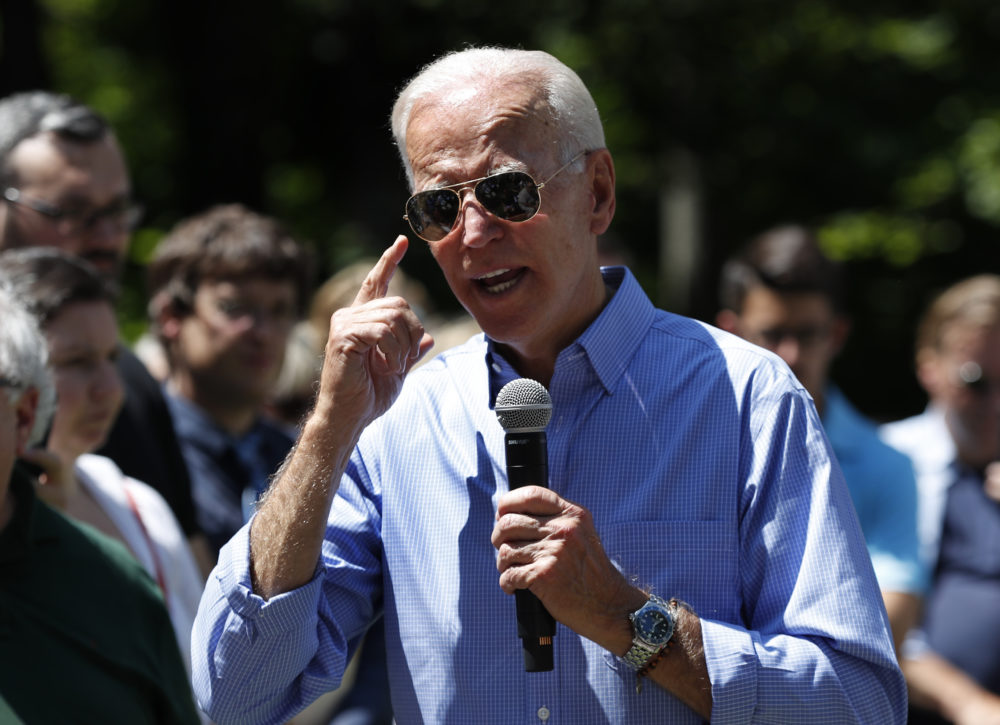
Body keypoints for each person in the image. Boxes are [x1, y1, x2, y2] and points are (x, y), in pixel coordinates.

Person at [192, 47, 905, 723]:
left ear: (597, 194)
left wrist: (628, 619)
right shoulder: (398, 419)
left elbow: (860, 704)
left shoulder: (746, 397)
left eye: (507, 192)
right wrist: (326, 430)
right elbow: (237, 696)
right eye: (439, 208)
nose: (472, 235)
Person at [0, 90, 208, 570]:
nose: (109, 237)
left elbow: (190, 585)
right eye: (71, 212)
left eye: (117, 212)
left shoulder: (128, 381)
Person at [715, 224, 925, 655]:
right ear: (730, 332)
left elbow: (890, 628)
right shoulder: (689, 444)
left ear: (838, 335)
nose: (788, 356)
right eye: (771, 335)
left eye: (806, 334)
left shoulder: (888, 464)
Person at [0, 282, 200, 724]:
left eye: (112, 360)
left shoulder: (116, 577)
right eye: (76, 362)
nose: (112, 389)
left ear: (24, 414)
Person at [147, 203, 312, 554]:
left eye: (280, 310)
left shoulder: (302, 458)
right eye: (234, 307)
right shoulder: (143, 456)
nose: (263, 333)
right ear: (170, 316)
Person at [881, 274, 1000, 724]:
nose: (997, 405)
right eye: (977, 381)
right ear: (929, 367)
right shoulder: (887, 462)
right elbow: (867, 629)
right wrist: (965, 701)